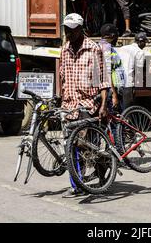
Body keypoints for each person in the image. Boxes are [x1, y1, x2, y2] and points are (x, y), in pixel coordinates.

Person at [59, 13, 110, 197]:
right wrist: (59, 102)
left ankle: (103, 170)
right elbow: (61, 77)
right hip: (69, 106)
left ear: (80, 30)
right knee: (71, 145)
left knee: (86, 145)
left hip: (88, 105)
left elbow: (104, 80)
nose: (68, 34)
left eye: (72, 31)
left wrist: (104, 105)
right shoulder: (64, 50)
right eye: (66, 30)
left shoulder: (93, 49)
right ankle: (77, 184)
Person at [99, 23, 126, 112]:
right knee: (114, 120)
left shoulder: (103, 46)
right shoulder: (106, 47)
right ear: (113, 35)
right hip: (111, 91)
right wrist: (114, 95)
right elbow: (107, 72)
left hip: (112, 90)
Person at [118, 32, 148, 108]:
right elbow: (139, 72)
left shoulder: (123, 48)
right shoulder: (139, 52)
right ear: (140, 42)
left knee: (118, 108)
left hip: (117, 82)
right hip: (128, 84)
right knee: (128, 111)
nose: (145, 45)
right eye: (145, 43)